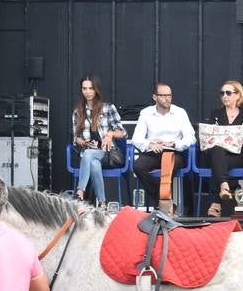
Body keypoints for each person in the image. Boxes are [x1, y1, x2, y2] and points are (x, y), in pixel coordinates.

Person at [132, 82, 196, 210]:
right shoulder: (146, 113)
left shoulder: (180, 112)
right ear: (155, 97)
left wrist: (173, 143)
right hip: (153, 152)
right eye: (163, 95)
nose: (167, 98)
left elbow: (191, 137)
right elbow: (136, 138)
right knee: (138, 166)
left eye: (169, 95)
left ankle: (162, 205)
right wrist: (150, 144)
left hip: (174, 152)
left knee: (168, 167)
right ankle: (165, 202)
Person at [201, 79, 243, 217]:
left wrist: (236, 141)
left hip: (237, 156)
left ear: (238, 95)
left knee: (217, 161)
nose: (224, 96)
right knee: (217, 150)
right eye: (222, 93)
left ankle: (216, 202)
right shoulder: (216, 114)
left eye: (228, 93)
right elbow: (209, 136)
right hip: (218, 154)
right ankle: (224, 186)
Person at [69, 75, 124, 204]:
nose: (87, 92)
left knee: (88, 154)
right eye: (84, 88)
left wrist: (110, 134)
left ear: (96, 89)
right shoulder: (78, 112)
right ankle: (103, 203)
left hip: (108, 152)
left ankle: (80, 192)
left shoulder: (108, 108)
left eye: (91, 88)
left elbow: (122, 132)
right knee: (93, 163)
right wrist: (81, 141)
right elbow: (75, 139)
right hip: (90, 153)